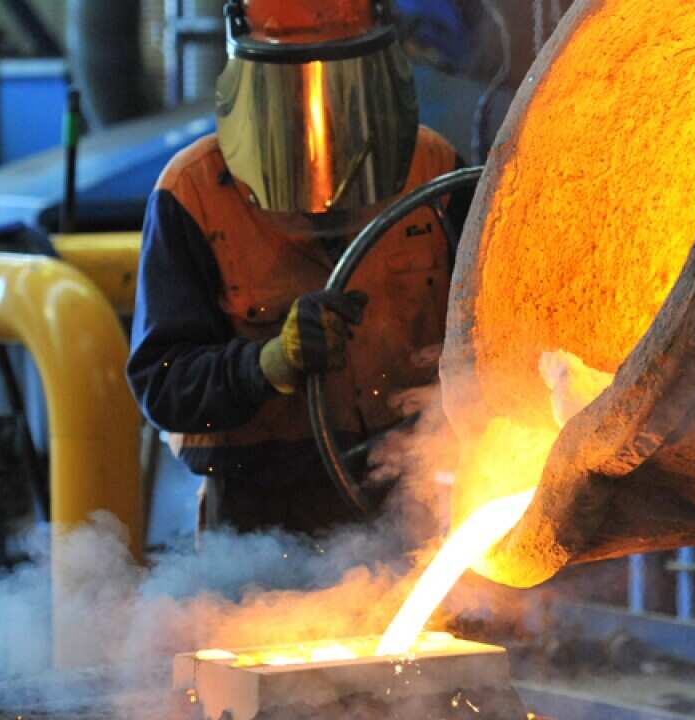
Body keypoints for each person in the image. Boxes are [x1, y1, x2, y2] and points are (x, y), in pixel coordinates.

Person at [127, 0, 473, 536]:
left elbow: (495, 332)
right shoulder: (192, 193)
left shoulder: (432, 172)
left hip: (407, 493)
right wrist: (267, 364)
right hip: (261, 517)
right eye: (291, 92)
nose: (318, 114)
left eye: (343, 85)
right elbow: (162, 386)